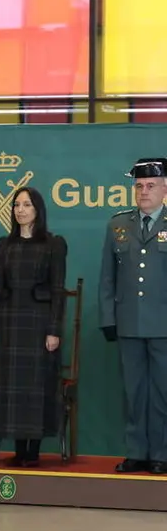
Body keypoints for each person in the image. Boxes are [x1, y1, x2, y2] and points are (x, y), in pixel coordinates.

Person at [0, 186, 68, 467]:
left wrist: (54, 329)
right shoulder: (3, 245)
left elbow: (58, 290)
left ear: (38, 210)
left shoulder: (53, 245)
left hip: (40, 322)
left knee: (36, 386)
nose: (20, 210)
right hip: (9, 322)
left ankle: (34, 450)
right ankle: (19, 448)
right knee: (12, 387)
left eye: (27, 205)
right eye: (17, 205)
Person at [100, 157, 167, 474]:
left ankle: (161, 454)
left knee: (162, 392)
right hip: (128, 323)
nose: (144, 192)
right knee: (133, 391)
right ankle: (137, 451)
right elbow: (107, 277)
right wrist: (108, 318)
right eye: (139, 186)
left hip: (164, 324)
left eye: (151, 185)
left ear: (165, 188)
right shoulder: (118, 225)